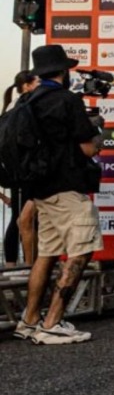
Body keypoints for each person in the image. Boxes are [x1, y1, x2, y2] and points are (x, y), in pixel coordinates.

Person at [14, 45, 103, 345]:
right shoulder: (67, 100)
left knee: (47, 254)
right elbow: (88, 148)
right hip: (67, 188)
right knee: (82, 249)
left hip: (41, 189)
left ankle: (29, 320)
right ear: (64, 71)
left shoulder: (28, 99)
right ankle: (52, 322)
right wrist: (98, 133)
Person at [3, 71, 39, 266]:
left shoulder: (12, 109)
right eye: (38, 82)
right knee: (23, 220)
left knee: (21, 219)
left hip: (18, 173)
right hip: (26, 173)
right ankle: (27, 264)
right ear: (27, 85)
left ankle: (16, 264)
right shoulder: (22, 109)